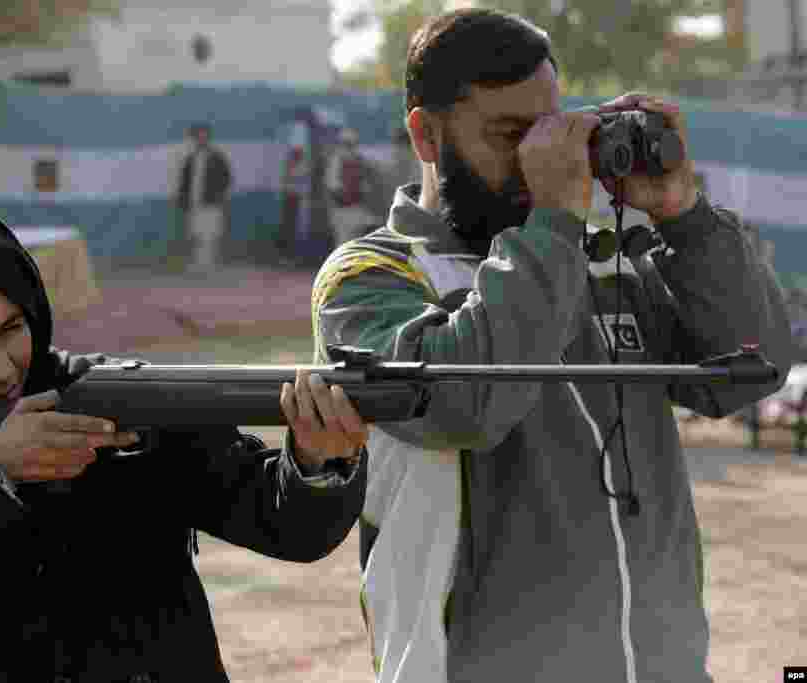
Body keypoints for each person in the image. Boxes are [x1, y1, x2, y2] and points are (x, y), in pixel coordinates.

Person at [309, 8, 794, 683]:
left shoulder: (598, 259)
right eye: (509, 134)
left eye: (548, 131)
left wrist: (685, 215)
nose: (537, 158)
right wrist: (554, 220)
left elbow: (750, 369)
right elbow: (465, 403)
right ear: (425, 133)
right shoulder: (374, 277)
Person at [0, 205, 369, 682]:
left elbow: (287, 523)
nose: (0, 368)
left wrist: (317, 461)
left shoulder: (115, 401)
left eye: (11, 330)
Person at [176, 123, 232, 271]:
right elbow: (184, 181)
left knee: (210, 234)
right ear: (194, 139)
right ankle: (198, 263)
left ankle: (208, 264)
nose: (201, 139)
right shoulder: (190, 158)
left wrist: (220, 196)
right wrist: (182, 199)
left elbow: (227, 178)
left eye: (204, 136)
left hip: (212, 202)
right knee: (196, 234)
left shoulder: (218, 157)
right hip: (194, 202)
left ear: (209, 138)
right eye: (198, 137)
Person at [325, 127, 379, 246]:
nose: (349, 147)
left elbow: (367, 187)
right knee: (343, 245)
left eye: (351, 144)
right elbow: (333, 189)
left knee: (357, 245)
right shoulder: (336, 162)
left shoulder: (360, 162)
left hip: (357, 209)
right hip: (342, 211)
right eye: (347, 144)